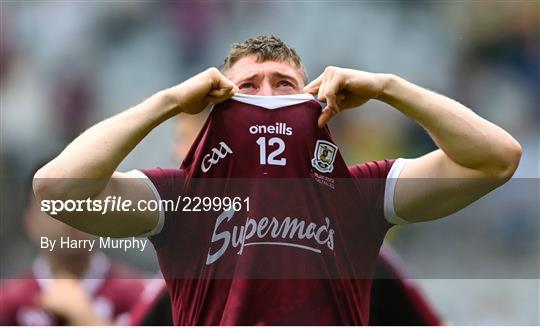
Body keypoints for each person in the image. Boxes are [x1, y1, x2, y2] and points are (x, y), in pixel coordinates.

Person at [33, 35, 521, 324]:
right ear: (218, 101)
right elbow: (57, 190)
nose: (267, 98)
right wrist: (167, 101)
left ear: (315, 99)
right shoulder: (182, 199)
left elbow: (495, 159)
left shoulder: (359, 194)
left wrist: (387, 87)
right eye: (247, 87)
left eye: (284, 84)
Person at [0, 171, 145, 325]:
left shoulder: (139, 294)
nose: (68, 215)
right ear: (29, 223)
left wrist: (84, 316)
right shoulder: (9, 302)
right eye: (54, 205)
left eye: (80, 202)